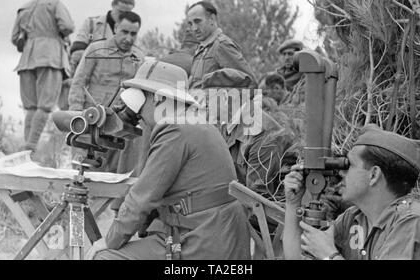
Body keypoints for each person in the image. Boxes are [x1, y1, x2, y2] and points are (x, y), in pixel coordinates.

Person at [87, 60, 251, 260]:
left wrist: (108, 241)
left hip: (201, 241)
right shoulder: (195, 122)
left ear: (156, 99)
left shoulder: (175, 129)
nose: (138, 116)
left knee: (105, 257)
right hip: (216, 234)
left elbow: (143, 198)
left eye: (140, 104)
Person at [201, 68, 299, 259]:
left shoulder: (263, 133)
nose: (205, 104)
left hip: (272, 223)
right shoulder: (227, 123)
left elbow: (257, 199)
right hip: (247, 212)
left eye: (208, 99)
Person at [283, 125, 420, 260]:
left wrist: (328, 255)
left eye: (350, 165)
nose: (342, 173)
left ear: (373, 175)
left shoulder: (411, 221)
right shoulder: (353, 218)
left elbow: (326, 253)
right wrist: (293, 203)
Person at [68, 11, 145, 172]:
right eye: (124, 32)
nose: (128, 38)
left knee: (113, 174)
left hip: (120, 126)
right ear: (116, 27)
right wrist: (76, 115)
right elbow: (79, 82)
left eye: (133, 34)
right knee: (83, 170)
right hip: (91, 122)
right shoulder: (95, 49)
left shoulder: (139, 56)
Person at [11, 0, 74, 152]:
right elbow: (67, 26)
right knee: (45, 106)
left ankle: (26, 149)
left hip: (27, 61)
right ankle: (31, 147)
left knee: (30, 107)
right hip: (50, 57)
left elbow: (14, 38)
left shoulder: (24, 7)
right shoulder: (53, 3)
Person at [186, 1, 257, 89]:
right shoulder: (202, 49)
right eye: (190, 24)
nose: (194, 28)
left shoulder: (222, 45)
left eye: (198, 21)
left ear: (212, 19)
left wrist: (225, 100)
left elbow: (250, 83)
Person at [69, 0, 136, 72]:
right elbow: (76, 53)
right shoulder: (91, 23)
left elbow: (135, 59)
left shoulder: (132, 32)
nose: (123, 16)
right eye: (120, 12)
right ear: (112, 5)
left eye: (128, 13)